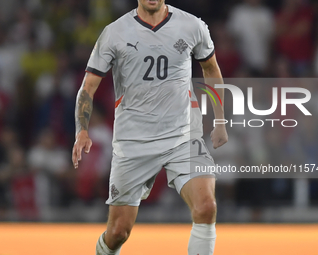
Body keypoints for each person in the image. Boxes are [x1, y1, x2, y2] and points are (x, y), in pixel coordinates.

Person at [72, 1, 228, 254]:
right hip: (134, 142)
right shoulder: (115, 32)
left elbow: (211, 69)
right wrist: (82, 129)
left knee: (206, 207)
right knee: (118, 232)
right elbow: (88, 87)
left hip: (182, 137)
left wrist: (220, 121)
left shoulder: (192, 26)